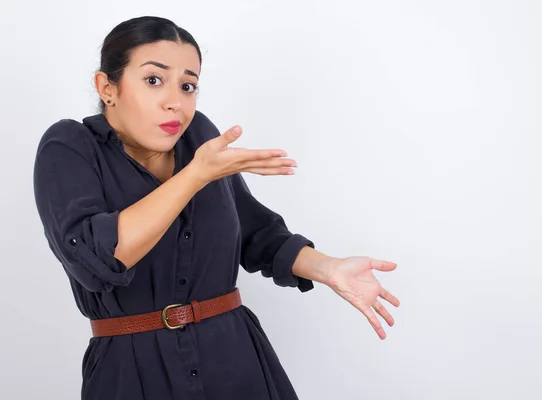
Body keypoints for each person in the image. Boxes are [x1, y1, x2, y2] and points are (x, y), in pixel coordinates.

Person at [32, 15, 400, 400]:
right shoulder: (70, 146)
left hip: (235, 359)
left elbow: (257, 235)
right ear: (107, 87)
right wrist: (195, 176)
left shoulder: (198, 137)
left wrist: (330, 268)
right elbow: (101, 258)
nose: (175, 102)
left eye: (188, 86)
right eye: (154, 80)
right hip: (132, 372)